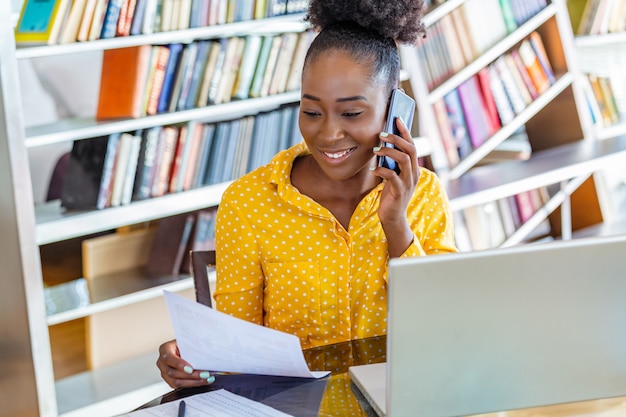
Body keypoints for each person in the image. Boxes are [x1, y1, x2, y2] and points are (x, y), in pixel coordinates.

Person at [157, 0, 457, 389]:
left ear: (394, 110)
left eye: (351, 114)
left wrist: (396, 224)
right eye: (312, 112)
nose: (328, 134)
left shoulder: (425, 196)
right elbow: (236, 350)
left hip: (403, 398)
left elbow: (447, 328)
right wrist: (194, 359)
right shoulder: (249, 203)